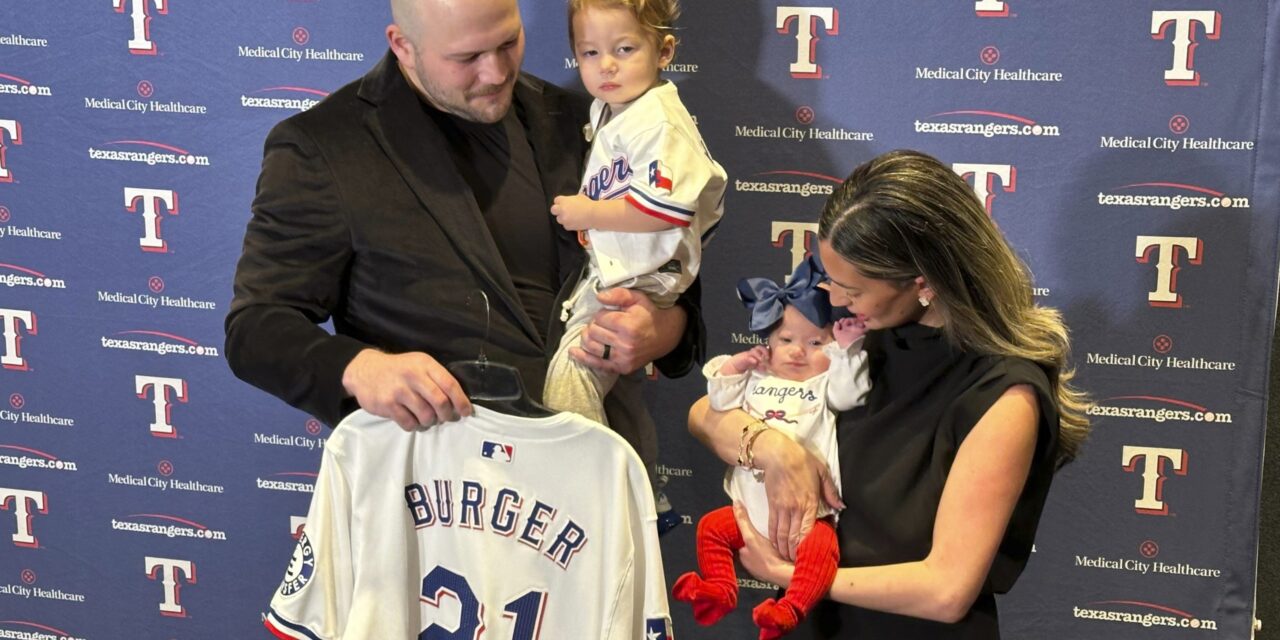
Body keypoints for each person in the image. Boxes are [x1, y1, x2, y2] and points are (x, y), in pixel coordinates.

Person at [224, 0, 703, 471]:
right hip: (438, 496)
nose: (496, 72)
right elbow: (257, 328)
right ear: (403, 46)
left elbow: (669, 270)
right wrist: (363, 368)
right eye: (467, 57)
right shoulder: (324, 147)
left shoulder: (586, 119)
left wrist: (662, 330)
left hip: (592, 484)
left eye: (508, 42)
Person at [688, 149, 1092, 638]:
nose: (834, 302)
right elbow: (706, 414)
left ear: (921, 281)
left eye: (852, 290)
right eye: (829, 281)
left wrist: (792, 577)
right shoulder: (857, 344)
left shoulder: (1003, 396)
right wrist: (774, 450)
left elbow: (946, 590)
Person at [543, 0, 726, 426]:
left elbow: (663, 212)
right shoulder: (614, 108)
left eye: (624, 50)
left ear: (664, 51)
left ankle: (586, 480)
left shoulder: (658, 121)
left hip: (642, 276)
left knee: (571, 374)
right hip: (622, 267)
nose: (606, 66)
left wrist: (588, 211)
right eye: (590, 53)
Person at [672, 256, 868, 639]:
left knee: (822, 549)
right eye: (786, 340)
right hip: (749, 509)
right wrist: (736, 367)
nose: (798, 351)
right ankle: (720, 587)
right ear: (768, 342)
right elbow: (717, 403)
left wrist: (846, 351)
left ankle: (790, 608)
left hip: (809, 516)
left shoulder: (825, 384)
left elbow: (851, 393)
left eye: (816, 342)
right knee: (712, 528)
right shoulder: (756, 377)